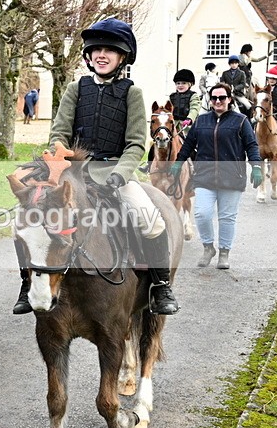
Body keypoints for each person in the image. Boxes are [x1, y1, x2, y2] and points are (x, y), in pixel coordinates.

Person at [44, 17, 179, 315]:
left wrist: (120, 175)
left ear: (122, 58)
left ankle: (160, 286)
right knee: (37, 210)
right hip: (75, 173)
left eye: (109, 50)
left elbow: (135, 144)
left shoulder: (133, 93)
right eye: (96, 50)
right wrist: (60, 159)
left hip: (116, 173)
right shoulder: (75, 89)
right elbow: (59, 132)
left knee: (150, 219)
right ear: (89, 56)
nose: (101, 55)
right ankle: (29, 282)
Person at [170, 83, 262, 269]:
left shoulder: (241, 121)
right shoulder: (202, 121)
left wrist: (256, 166)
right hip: (205, 177)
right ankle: (208, 247)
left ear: (229, 99)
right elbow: (188, 145)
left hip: (232, 177)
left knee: (227, 217)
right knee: (202, 213)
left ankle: (224, 252)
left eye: (222, 98)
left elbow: (251, 145)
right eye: (214, 98)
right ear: (210, 101)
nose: (218, 101)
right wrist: (178, 163)